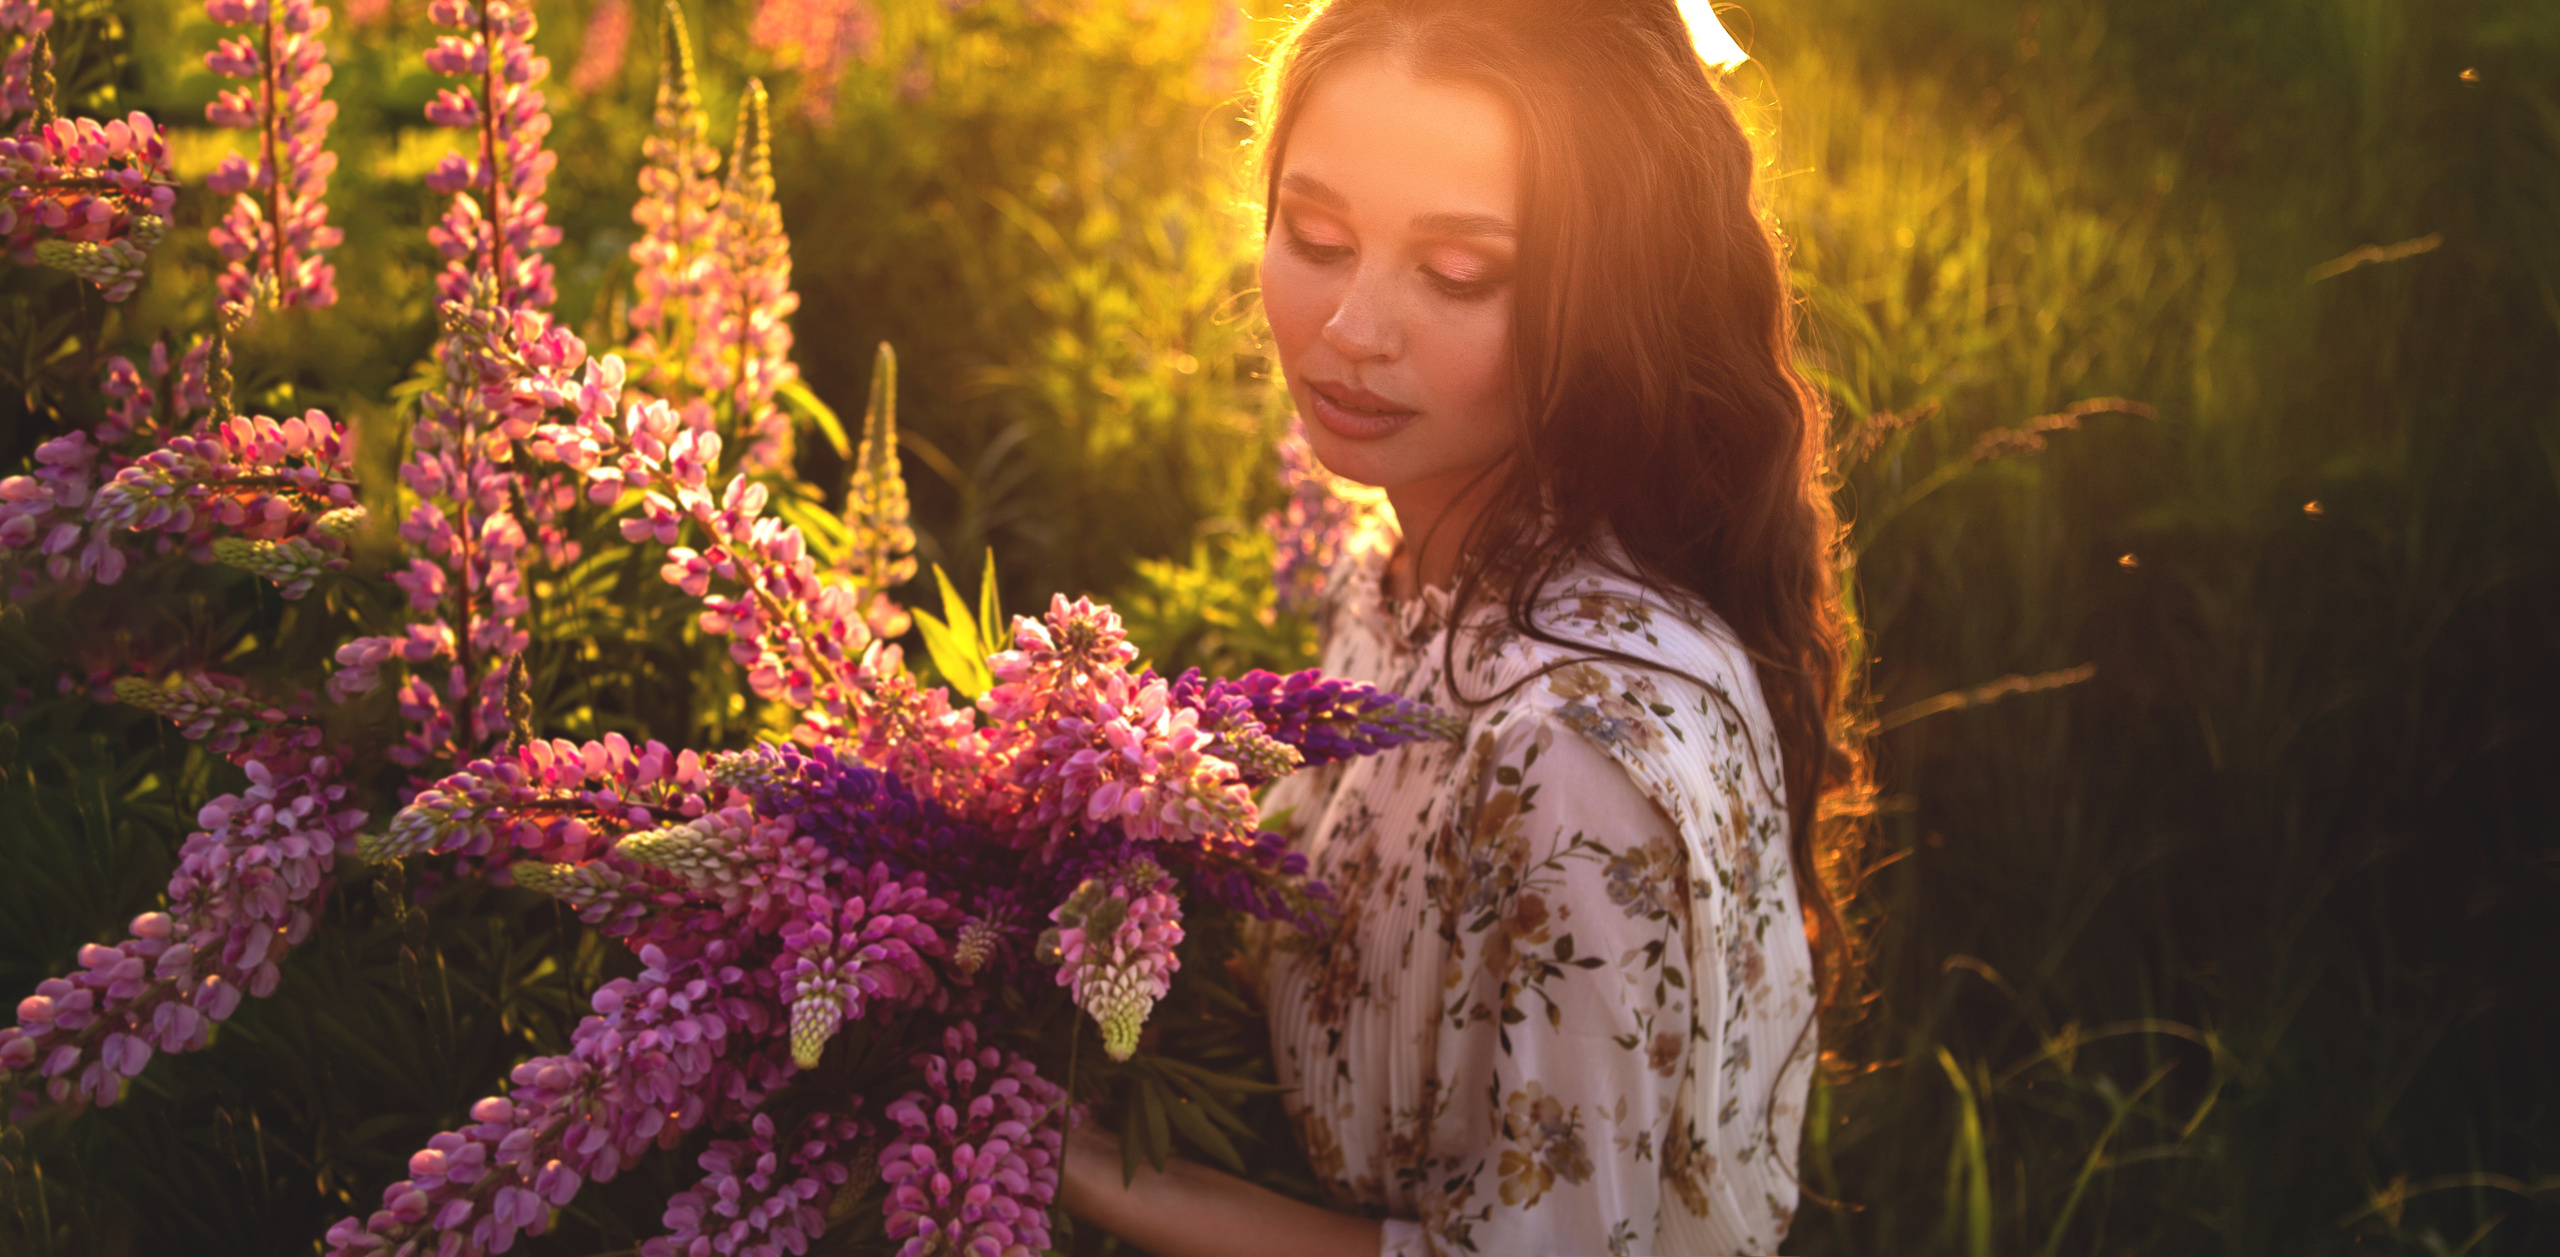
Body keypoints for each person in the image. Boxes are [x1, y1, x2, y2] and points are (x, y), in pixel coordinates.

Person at [1059, 1, 1866, 1252]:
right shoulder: (1399, 564)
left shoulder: (1578, 756)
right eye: (1316, 237)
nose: (1351, 331)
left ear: (1608, 300)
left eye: (1457, 275)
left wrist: (1078, 1164)